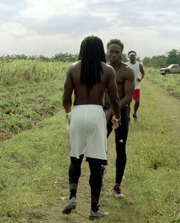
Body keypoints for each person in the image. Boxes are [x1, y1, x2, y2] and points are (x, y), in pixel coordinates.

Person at [62, 36, 121, 219]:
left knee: (75, 158)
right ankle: (94, 209)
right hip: (96, 114)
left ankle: (72, 196)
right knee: (96, 164)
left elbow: (66, 99)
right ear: (101, 50)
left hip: (78, 112)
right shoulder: (107, 70)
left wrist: (70, 115)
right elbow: (114, 99)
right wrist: (116, 117)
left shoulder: (73, 69)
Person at [103, 39, 135, 199]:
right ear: (107, 52)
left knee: (120, 148)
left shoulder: (127, 71)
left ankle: (117, 186)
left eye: (117, 52)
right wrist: (104, 111)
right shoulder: (102, 69)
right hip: (104, 111)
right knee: (100, 144)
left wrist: (113, 112)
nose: (114, 54)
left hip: (121, 111)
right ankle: (100, 172)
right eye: (112, 51)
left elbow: (128, 97)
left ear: (121, 52)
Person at [125, 51, 145, 121]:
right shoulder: (126, 65)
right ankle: (128, 117)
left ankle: (135, 113)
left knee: (137, 101)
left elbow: (143, 73)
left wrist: (141, 78)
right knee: (128, 103)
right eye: (131, 56)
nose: (132, 57)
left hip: (136, 86)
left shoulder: (139, 65)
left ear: (135, 56)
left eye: (134, 56)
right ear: (129, 57)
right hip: (129, 86)